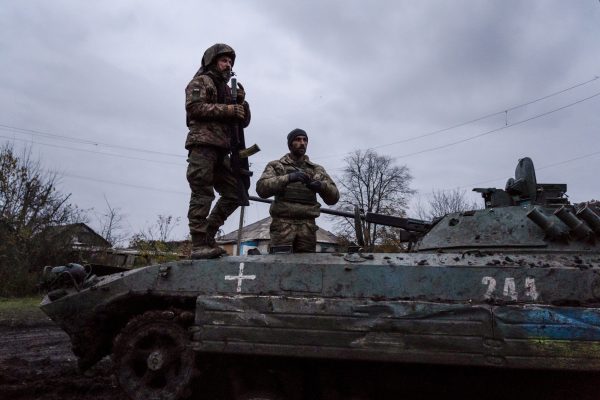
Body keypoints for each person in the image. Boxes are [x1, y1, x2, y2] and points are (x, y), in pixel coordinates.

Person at [185, 43, 251, 259]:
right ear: (212, 61)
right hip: (203, 145)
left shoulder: (230, 88)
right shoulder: (201, 81)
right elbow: (194, 107)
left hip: (224, 150)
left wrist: (242, 102)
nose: (228, 64)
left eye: (230, 61)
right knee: (202, 192)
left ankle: (208, 236)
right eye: (224, 60)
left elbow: (244, 121)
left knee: (235, 193)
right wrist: (228, 109)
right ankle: (198, 245)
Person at [256, 129, 339, 252]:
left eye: (305, 140)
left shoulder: (316, 170)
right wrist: (288, 178)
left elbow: (334, 198)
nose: (302, 143)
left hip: (307, 226)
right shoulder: (277, 166)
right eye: (298, 139)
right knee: (279, 264)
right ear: (290, 144)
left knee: (306, 266)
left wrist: (321, 186)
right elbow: (262, 189)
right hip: (283, 225)